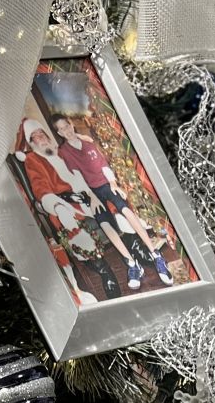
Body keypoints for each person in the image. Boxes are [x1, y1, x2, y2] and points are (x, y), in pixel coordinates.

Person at [52, 114, 175, 291]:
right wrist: (90, 196)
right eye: (62, 129)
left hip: (107, 184)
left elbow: (103, 165)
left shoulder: (88, 142)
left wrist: (113, 183)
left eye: (67, 125)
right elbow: (77, 176)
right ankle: (132, 264)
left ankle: (156, 255)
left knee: (125, 210)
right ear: (59, 132)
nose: (66, 130)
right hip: (91, 191)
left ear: (71, 124)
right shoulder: (64, 152)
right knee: (104, 222)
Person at [16, 119, 133, 303]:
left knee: (111, 202)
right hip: (64, 203)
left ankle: (134, 253)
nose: (41, 138)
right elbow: (40, 190)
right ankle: (105, 271)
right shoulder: (33, 159)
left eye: (42, 133)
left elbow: (81, 169)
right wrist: (58, 203)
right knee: (71, 221)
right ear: (31, 143)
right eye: (35, 136)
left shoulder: (60, 152)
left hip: (85, 194)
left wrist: (90, 193)